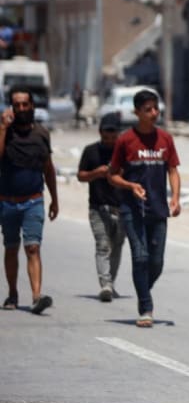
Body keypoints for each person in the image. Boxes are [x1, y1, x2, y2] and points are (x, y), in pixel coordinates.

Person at [108, 88, 181, 328]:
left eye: (155, 108)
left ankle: (142, 289)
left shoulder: (165, 139)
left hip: (158, 209)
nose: (154, 113)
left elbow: (172, 170)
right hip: (132, 209)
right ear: (137, 112)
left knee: (156, 262)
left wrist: (176, 198)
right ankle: (145, 307)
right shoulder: (125, 140)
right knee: (140, 257)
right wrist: (130, 186)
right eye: (148, 109)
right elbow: (112, 176)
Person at [0, 85, 58, 314]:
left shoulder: (42, 134)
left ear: (32, 106)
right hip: (6, 201)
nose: (22, 108)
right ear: (11, 107)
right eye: (17, 105)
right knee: (11, 248)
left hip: (33, 200)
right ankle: (13, 293)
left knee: (33, 247)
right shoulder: (4, 131)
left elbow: (48, 168)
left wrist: (55, 199)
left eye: (25, 104)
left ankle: (36, 296)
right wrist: (4, 128)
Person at [77, 111, 126, 302]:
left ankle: (110, 283)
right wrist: (96, 173)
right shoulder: (91, 152)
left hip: (121, 209)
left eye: (113, 137)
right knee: (103, 245)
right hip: (98, 208)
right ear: (100, 133)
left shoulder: (124, 152)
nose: (110, 141)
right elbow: (80, 176)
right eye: (106, 137)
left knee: (117, 247)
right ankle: (105, 284)